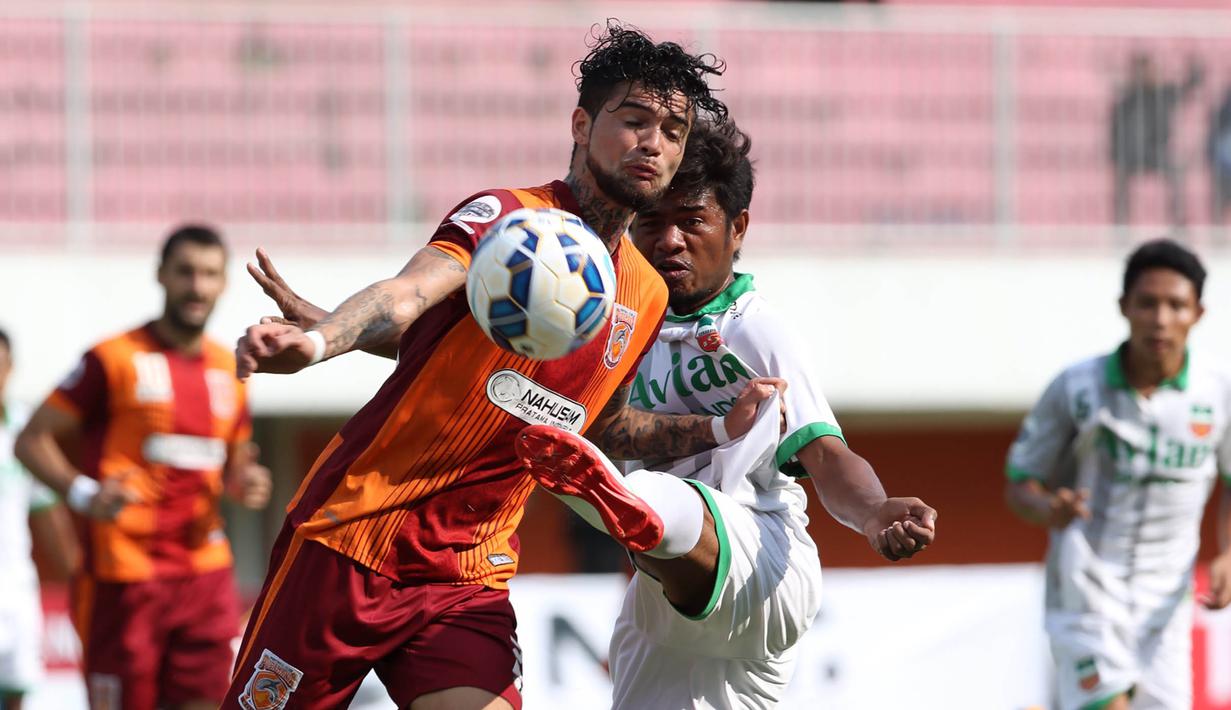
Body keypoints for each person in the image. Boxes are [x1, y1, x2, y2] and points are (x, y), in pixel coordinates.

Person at [224, 24, 780, 710]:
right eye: (633, 120)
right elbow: (407, 298)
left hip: (467, 573)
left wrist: (717, 427)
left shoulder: (646, 291)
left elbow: (599, 425)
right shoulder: (512, 218)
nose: (653, 143)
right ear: (581, 124)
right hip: (353, 541)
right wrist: (317, 343)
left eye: (672, 129)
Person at [513, 120, 938, 708]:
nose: (669, 241)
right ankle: (628, 509)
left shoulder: (758, 332)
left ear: (737, 228)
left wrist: (872, 512)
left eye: (691, 221)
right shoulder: (613, 325)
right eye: (652, 223)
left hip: (761, 560)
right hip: (663, 598)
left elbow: (826, 452)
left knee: (656, 492)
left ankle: (624, 503)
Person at [15, 225, 272, 710]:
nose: (197, 286)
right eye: (185, 272)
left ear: (223, 284)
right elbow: (32, 440)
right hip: (124, 575)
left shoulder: (230, 370)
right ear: (161, 275)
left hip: (204, 576)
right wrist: (86, 495)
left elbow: (234, 465)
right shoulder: (112, 359)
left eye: (209, 274)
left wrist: (246, 482)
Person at [1005, 239, 1231, 710]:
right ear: (1124, 307)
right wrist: (1049, 508)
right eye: (1148, 303)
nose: (1161, 318)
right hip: (1086, 588)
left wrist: (1228, 552)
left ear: (1199, 313)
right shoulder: (1076, 387)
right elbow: (1019, 482)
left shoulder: (1219, 392)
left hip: (1166, 604)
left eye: (1176, 305)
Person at [0, 328, 77, 710]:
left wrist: (81, 583)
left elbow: (48, 514)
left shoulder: (23, 429)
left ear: (10, 367)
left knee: (17, 695)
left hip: (16, 592)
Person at [1110, 52, 1203, 229]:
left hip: (1157, 152)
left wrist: (1195, 69)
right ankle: (1121, 224)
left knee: (1177, 172)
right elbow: (1116, 129)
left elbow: (1189, 87)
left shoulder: (1164, 93)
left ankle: (1178, 223)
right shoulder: (1128, 98)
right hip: (1131, 155)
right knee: (1121, 178)